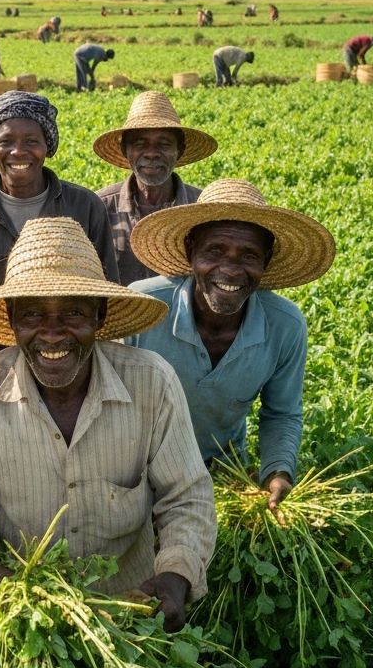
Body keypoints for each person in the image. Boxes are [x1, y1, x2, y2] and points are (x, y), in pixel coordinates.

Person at [0, 217, 216, 629]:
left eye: (73, 313)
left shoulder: (152, 382)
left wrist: (175, 575)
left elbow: (186, 497)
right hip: (23, 610)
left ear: (99, 317)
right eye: (32, 314)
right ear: (11, 320)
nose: (52, 333)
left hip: (131, 609)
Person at [127, 178, 336, 510]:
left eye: (249, 255)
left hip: (221, 472)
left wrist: (278, 472)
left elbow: (281, 413)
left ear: (265, 262)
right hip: (135, 472)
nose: (230, 269)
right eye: (215, 251)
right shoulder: (142, 307)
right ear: (190, 250)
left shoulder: (284, 325)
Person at [0, 90, 119, 289]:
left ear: (47, 146)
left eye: (31, 141)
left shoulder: (85, 206)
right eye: (6, 141)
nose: (18, 151)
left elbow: (110, 288)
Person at [94, 92, 218, 285]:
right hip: (120, 314)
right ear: (126, 150)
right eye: (140, 143)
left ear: (180, 150)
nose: (151, 153)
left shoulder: (203, 208)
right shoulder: (99, 208)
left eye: (164, 144)